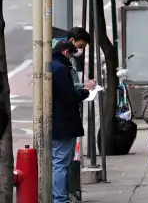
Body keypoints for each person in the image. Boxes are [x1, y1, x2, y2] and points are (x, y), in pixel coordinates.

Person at [51, 41, 96, 203]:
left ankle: (57, 196)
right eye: (71, 54)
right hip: (63, 121)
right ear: (65, 52)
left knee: (57, 161)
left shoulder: (51, 65)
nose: (72, 58)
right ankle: (59, 199)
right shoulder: (61, 69)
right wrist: (87, 90)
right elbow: (70, 96)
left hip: (56, 120)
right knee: (61, 162)